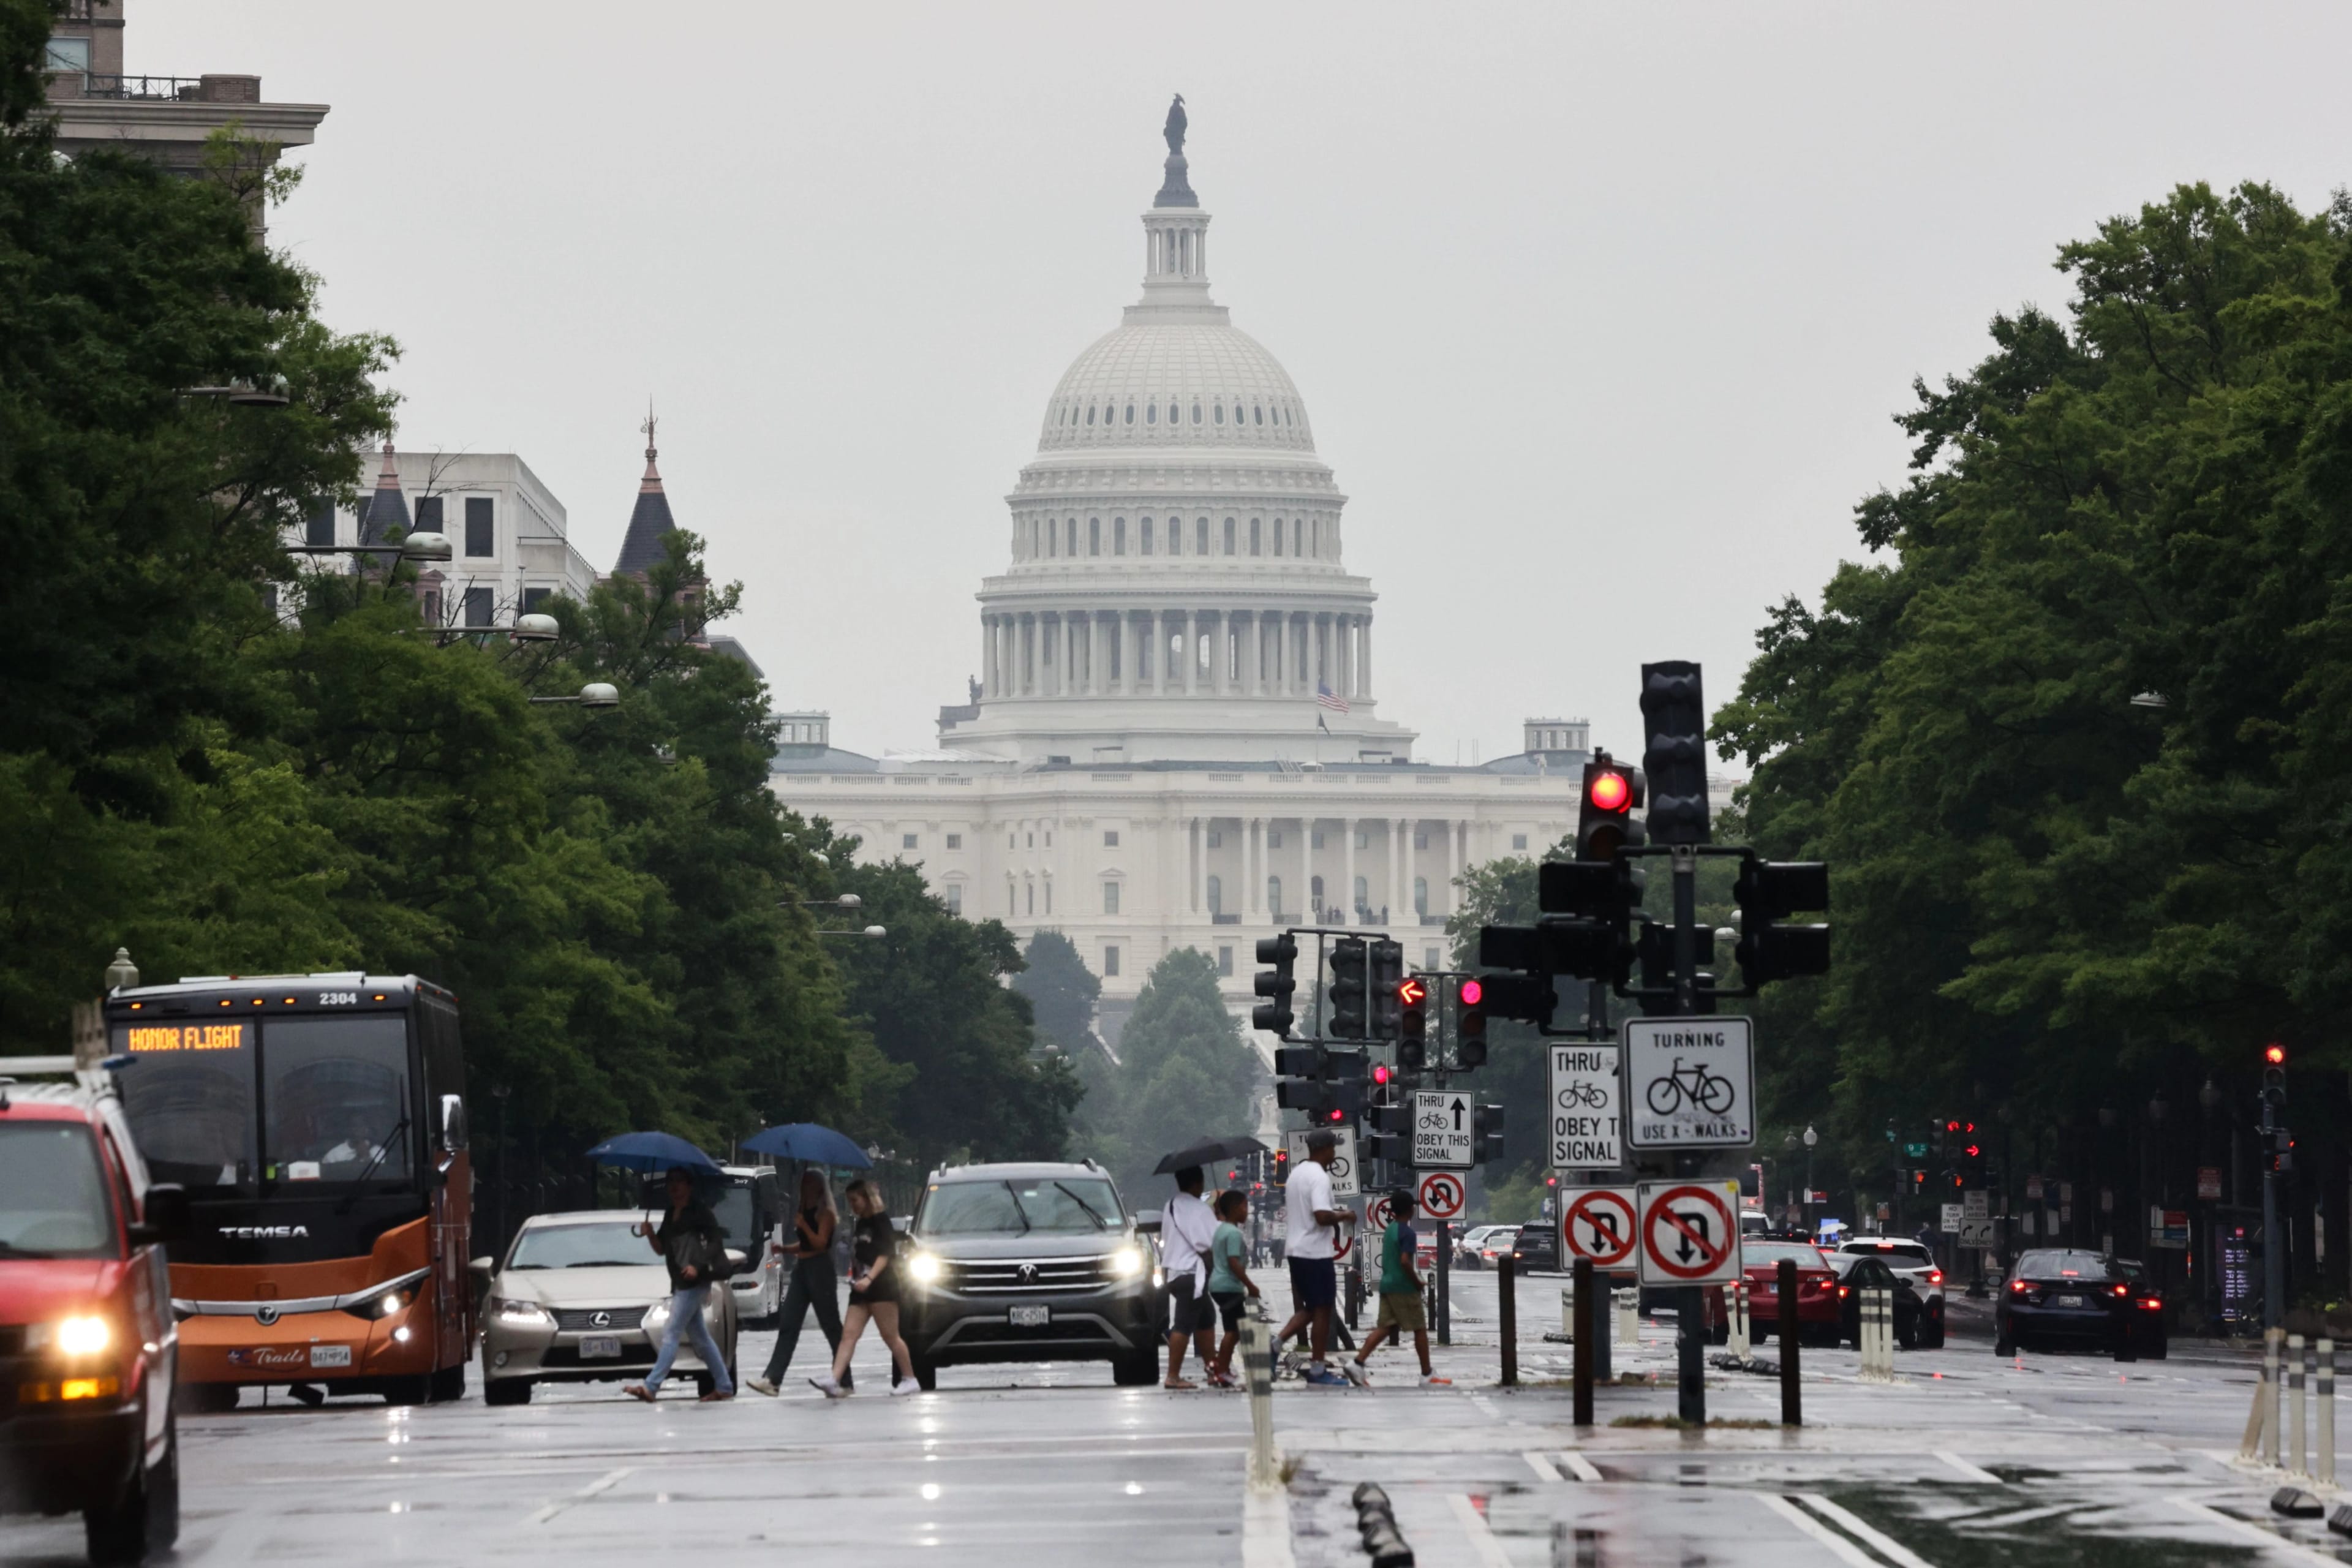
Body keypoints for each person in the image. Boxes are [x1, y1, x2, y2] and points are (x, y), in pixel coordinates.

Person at [624, 1166, 736, 1403]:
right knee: (701, 1338)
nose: (674, 1187)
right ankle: (724, 1386)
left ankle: (651, 1386)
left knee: (672, 1332)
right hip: (680, 1281)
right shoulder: (670, 1213)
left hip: (695, 1281)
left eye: (679, 1182)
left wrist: (698, 1265)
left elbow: (715, 1243)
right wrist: (650, 1234)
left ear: (689, 1185)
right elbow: (661, 1249)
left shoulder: (700, 1212)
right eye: (670, 1182)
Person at [809, 1179, 919, 1398]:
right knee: (848, 1335)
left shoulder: (881, 1222)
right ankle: (834, 1379)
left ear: (867, 1198)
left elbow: (886, 1254)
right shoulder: (861, 1224)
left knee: (890, 1336)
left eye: (855, 1200)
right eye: (849, 1201)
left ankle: (910, 1378)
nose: (853, 1205)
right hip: (859, 1289)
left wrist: (869, 1278)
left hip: (882, 1287)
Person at [746, 1169, 851, 1397]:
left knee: (832, 1327)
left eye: (810, 1183)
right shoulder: (804, 1210)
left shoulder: (827, 1214)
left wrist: (802, 1226)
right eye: (803, 1183)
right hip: (802, 1271)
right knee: (789, 1324)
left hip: (820, 1271)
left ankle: (845, 1379)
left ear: (819, 1187)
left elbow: (821, 1244)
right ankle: (773, 1379)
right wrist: (785, 1249)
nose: (805, 1187)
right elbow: (805, 1246)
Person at [1348, 1192, 1446, 1387]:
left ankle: (1357, 1363)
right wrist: (1417, 1282)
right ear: (1410, 1209)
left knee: (1385, 1327)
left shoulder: (1391, 1229)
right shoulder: (1407, 1233)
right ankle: (1427, 1374)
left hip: (1387, 1284)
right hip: (1403, 1287)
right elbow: (1405, 1261)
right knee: (1419, 1329)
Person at [1275, 1130, 1348, 1386]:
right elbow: (1321, 1216)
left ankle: (1276, 1345)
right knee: (1323, 1309)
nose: (1335, 1153)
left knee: (1311, 1307)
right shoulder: (1318, 1177)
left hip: (1296, 1250)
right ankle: (1318, 1368)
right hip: (1315, 1252)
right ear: (1324, 1148)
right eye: (1333, 1148)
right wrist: (1343, 1215)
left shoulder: (1296, 1175)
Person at [1157, 1166, 1219, 1390]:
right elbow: (1210, 1241)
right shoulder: (1199, 1209)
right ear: (1198, 1183)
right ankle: (1172, 1376)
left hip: (1173, 1273)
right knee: (1183, 1325)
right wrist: (1218, 1218)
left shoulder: (1171, 1205)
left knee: (1206, 1319)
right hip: (1191, 1273)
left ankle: (1213, 1371)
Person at [1206, 1189, 1259, 1387]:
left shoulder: (1220, 1230)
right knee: (1234, 1330)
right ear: (1236, 1209)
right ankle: (1221, 1370)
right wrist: (1251, 1286)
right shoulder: (1234, 1233)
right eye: (1245, 1207)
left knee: (1234, 1328)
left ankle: (1221, 1367)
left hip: (1219, 1284)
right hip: (1228, 1286)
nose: (1248, 1211)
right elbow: (1234, 1263)